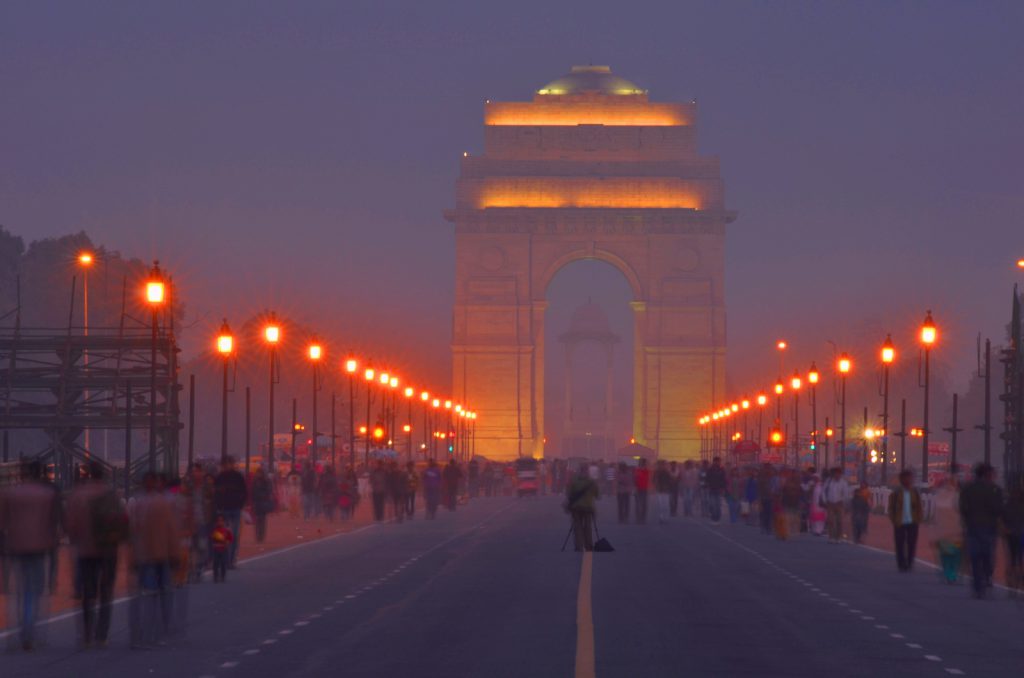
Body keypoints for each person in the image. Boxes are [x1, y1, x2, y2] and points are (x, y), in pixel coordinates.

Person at [0, 461, 62, 651]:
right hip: (40, 546)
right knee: (34, 591)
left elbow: (3, 523)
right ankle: (31, 631)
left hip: (16, 545)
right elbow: (54, 524)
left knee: (19, 590)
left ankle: (21, 629)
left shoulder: (10, 494)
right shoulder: (48, 495)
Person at [67, 462, 127, 648]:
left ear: (89, 474)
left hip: (85, 549)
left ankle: (87, 634)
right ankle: (102, 635)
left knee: (88, 592)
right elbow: (122, 521)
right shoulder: (112, 494)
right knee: (106, 591)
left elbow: (71, 525)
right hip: (108, 548)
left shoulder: (78, 494)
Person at [129, 472, 178, 649]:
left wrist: (132, 555)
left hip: (144, 555)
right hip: (161, 554)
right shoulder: (164, 503)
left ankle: (143, 632)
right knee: (163, 592)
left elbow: (132, 531)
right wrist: (174, 553)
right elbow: (172, 530)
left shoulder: (136, 503)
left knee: (147, 595)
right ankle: (160, 628)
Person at [959, 463, 1004, 598]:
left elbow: (963, 508)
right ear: (987, 474)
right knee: (987, 556)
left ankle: (978, 586)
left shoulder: (967, 489)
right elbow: (999, 509)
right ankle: (987, 577)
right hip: (989, 527)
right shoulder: (995, 489)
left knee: (975, 557)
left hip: (972, 526)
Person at [213, 457, 247, 568]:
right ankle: (226, 559)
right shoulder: (219, 478)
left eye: (229, 464)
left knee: (234, 535)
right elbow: (216, 493)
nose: (227, 466)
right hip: (224, 510)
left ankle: (231, 560)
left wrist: (241, 504)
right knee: (224, 535)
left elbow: (244, 491)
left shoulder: (237, 477)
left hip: (235, 508)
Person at [887, 470, 923, 572]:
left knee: (912, 543)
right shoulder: (897, 493)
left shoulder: (915, 492)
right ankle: (901, 563)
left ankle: (909, 562)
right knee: (900, 544)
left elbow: (919, 507)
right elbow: (891, 508)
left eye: (910, 478)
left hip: (913, 521)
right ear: (902, 479)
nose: (909, 480)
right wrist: (893, 519)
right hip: (899, 521)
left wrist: (919, 519)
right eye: (906, 478)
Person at [565, 464, 600, 551]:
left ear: (580, 471)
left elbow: (569, 493)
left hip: (576, 508)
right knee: (588, 527)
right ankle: (588, 545)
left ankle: (579, 546)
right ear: (587, 471)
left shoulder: (574, 481)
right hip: (588, 508)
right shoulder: (592, 482)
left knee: (577, 527)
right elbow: (598, 496)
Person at [1003, 482, 1024, 590]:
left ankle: (1013, 571)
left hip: (1012, 533)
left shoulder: (1008, 505)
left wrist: (1006, 528)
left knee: (1013, 554)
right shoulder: (1021, 505)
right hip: (1020, 532)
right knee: (1019, 553)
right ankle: (1019, 571)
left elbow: (1004, 518)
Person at [822, 467, 850, 544]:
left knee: (839, 521)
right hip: (830, 503)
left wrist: (843, 502)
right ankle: (831, 537)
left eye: (839, 474)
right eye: (836, 473)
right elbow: (823, 491)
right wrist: (825, 500)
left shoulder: (843, 483)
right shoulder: (829, 482)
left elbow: (846, 493)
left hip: (839, 504)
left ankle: (839, 537)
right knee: (831, 521)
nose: (837, 475)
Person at [250, 466, 274, 543]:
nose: (258, 474)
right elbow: (252, 491)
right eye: (257, 473)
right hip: (257, 502)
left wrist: (264, 496)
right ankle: (258, 536)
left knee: (262, 520)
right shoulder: (255, 481)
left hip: (263, 502)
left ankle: (261, 536)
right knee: (258, 520)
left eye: (259, 473)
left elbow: (269, 490)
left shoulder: (265, 481)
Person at [209, 515, 234, 583]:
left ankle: (223, 576)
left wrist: (227, 542)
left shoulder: (226, 530)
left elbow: (231, 538)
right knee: (215, 563)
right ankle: (215, 576)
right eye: (218, 521)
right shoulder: (214, 530)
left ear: (224, 522)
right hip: (216, 550)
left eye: (221, 521)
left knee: (223, 563)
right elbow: (211, 538)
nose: (220, 522)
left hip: (224, 550)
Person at [705, 457, 727, 524]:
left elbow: (724, 480)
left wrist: (723, 489)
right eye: (716, 461)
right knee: (712, 504)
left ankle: (717, 518)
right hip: (711, 489)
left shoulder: (722, 470)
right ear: (713, 462)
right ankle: (713, 517)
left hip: (719, 490)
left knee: (718, 505)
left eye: (718, 461)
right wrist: (707, 486)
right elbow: (707, 479)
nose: (717, 463)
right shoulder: (710, 470)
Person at [633, 459, 650, 524]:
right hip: (639, 488)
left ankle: (642, 518)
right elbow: (635, 479)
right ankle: (639, 518)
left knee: (643, 504)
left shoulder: (645, 470)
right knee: (639, 504)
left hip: (644, 488)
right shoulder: (638, 470)